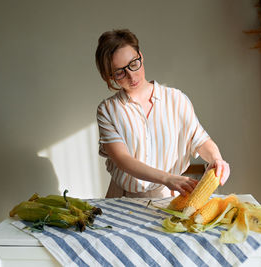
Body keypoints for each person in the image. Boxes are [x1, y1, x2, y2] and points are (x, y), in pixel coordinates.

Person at [95, 29, 230, 198]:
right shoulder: (107, 110)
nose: (131, 76)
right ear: (109, 76)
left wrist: (216, 159)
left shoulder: (176, 99)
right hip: (123, 196)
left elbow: (200, 140)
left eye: (133, 64)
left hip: (167, 194)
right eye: (120, 72)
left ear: (141, 56)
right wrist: (167, 178)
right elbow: (123, 159)